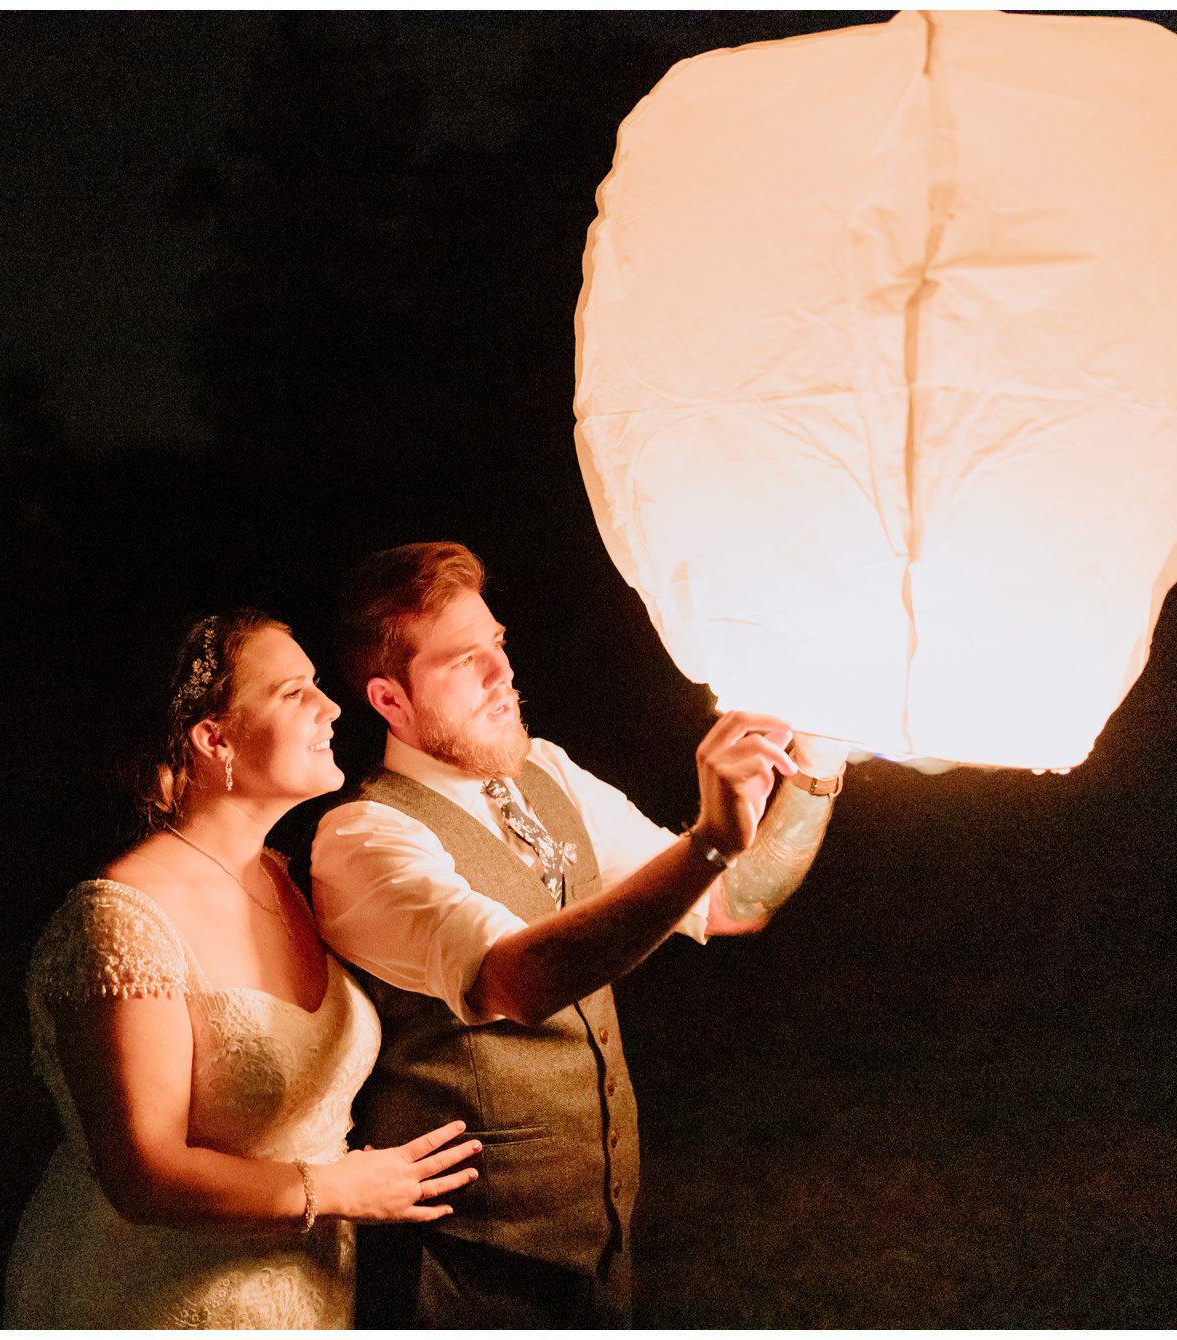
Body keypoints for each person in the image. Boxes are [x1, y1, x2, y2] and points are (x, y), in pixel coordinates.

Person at [311, 543, 848, 1327]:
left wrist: (819, 765)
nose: (503, 672)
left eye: (497, 643)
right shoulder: (364, 836)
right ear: (390, 700)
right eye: (464, 660)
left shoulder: (549, 772)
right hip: (458, 1275)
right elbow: (517, 981)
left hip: (598, 1255)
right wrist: (708, 841)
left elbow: (733, 901)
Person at [4, 610, 482, 1328]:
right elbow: (144, 1174)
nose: (331, 707)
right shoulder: (120, 917)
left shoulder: (291, 879)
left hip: (302, 1292)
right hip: (152, 1296)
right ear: (214, 739)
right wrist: (337, 1190)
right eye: (295, 693)